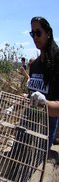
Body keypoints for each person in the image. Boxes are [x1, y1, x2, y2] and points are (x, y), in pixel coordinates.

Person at [27, 16, 59, 148]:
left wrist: (44, 103)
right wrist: (25, 98)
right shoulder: (34, 65)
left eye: (38, 32)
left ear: (48, 33)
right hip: (30, 119)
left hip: (46, 125)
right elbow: (32, 95)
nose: (35, 37)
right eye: (32, 33)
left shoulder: (57, 62)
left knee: (36, 160)